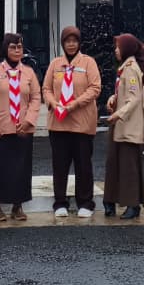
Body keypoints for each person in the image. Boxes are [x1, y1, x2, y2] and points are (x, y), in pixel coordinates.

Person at [0, 33, 41, 221]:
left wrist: (29, 121)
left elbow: (36, 97)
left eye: (19, 47)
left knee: (20, 169)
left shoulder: (29, 72)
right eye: (13, 47)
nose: (16, 50)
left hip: (22, 129)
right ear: (6, 49)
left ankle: (17, 206)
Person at [42, 25, 102, 218]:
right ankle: (60, 202)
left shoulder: (88, 62)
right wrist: (53, 103)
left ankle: (85, 202)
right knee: (59, 165)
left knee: (83, 165)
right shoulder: (55, 64)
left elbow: (95, 88)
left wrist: (74, 104)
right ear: (62, 43)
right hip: (58, 123)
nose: (71, 44)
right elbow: (46, 88)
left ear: (79, 43)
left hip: (81, 123)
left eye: (74, 41)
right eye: (67, 41)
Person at [104, 33, 144, 219]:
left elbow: (134, 98)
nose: (115, 50)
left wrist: (118, 114)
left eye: (118, 47)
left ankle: (132, 204)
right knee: (115, 163)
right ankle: (112, 200)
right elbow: (124, 93)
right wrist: (113, 98)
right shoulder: (124, 67)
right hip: (120, 123)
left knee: (129, 165)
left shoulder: (130, 69)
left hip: (127, 124)